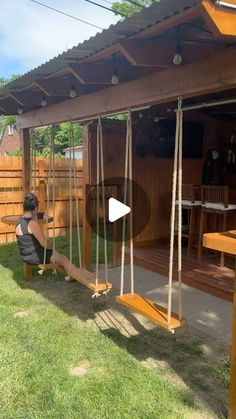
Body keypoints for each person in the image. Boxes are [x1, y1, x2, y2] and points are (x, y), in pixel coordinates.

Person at [15, 192, 76, 275]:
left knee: (57, 255)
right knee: (63, 259)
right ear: (35, 208)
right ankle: (76, 274)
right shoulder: (32, 223)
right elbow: (44, 244)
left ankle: (69, 273)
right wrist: (52, 247)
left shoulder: (19, 221)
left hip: (25, 255)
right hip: (35, 256)